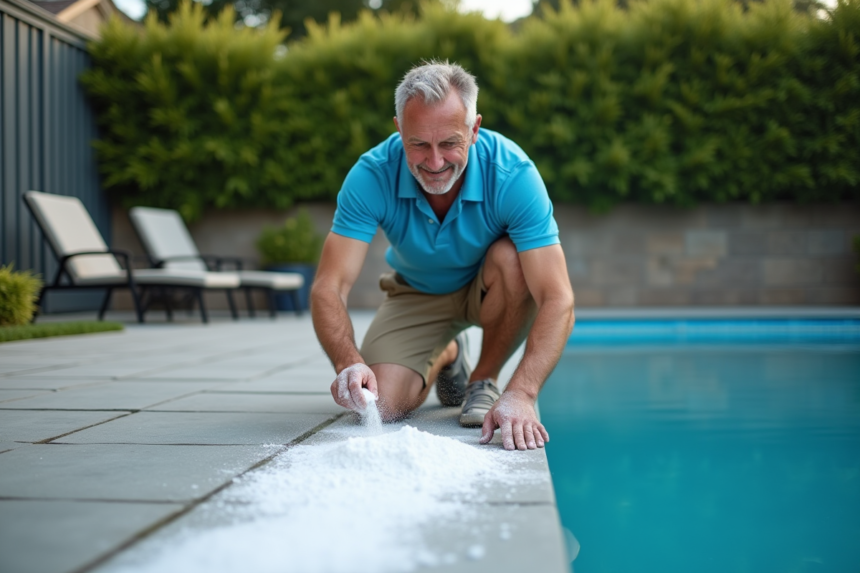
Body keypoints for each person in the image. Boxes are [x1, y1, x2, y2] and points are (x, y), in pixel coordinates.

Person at [310, 61, 575, 451]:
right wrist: (348, 362)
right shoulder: (370, 175)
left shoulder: (513, 173)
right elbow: (328, 286)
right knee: (378, 407)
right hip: (416, 292)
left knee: (514, 260)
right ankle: (447, 351)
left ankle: (482, 378)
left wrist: (523, 393)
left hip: (491, 286)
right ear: (399, 130)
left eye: (449, 143)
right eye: (418, 144)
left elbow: (558, 298)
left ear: (474, 130)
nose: (434, 163)